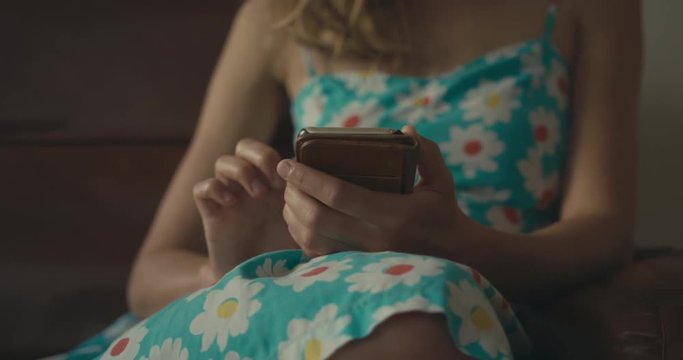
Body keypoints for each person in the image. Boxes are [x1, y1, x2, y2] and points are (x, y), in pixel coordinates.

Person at [63, 0, 642, 359]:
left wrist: (464, 247)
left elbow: (603, 229)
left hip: (459, 297)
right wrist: (235, 270)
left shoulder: (589, 5)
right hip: (282, 295)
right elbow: (150, 273)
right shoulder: (280, 14)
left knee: (418, 314)